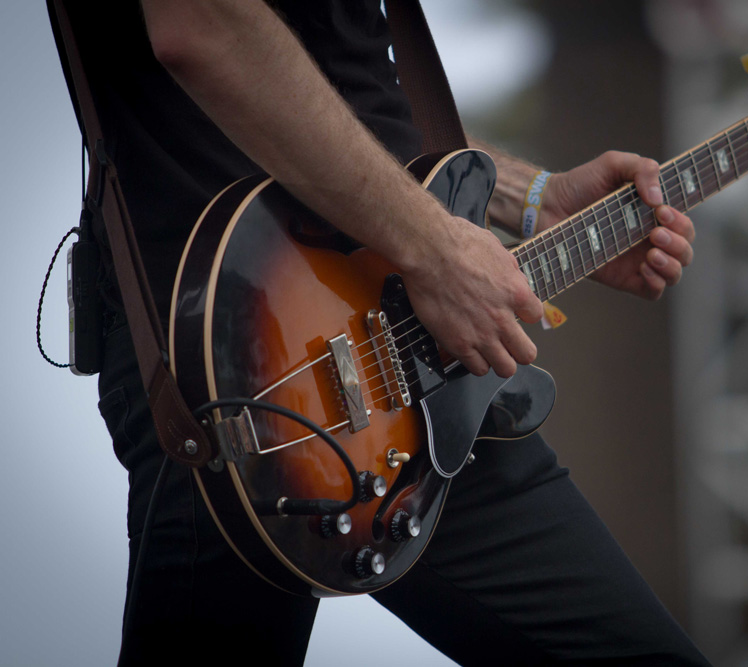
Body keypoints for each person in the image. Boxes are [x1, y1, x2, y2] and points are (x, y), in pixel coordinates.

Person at [64, 1, 707, 664]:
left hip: (416, 355)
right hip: (242, 355)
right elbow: (203, 23)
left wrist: (532, 195)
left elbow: (357, 97)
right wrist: (435, 250)